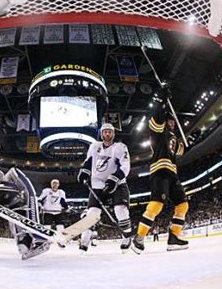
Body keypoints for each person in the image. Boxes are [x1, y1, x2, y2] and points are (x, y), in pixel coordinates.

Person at [131, 91, 189, 254]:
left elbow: (179, 152)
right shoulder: (158, 133)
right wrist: (161, 105)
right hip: (160, 171)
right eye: (169, 120)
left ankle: (174, 237)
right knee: (156, 205)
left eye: (172, 121)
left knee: (183, 205)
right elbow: (155, 121)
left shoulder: (174, 137)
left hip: (172, 174)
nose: (172, 123)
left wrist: (189, 142)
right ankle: (139, 238)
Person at [77, 123, 133, 252]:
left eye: (110, 132)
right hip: (97, 184)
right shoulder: (94, 146)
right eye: (105, 132)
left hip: (117, 183)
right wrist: (84, 172)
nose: (107, 134)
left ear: (113, 134)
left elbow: (125, 166)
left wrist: (114, 178)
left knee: (120, 210)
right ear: (101, 134)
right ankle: (84, 243)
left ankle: (127, 237)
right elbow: (89, 162)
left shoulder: (120, 147)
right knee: (92, 214)